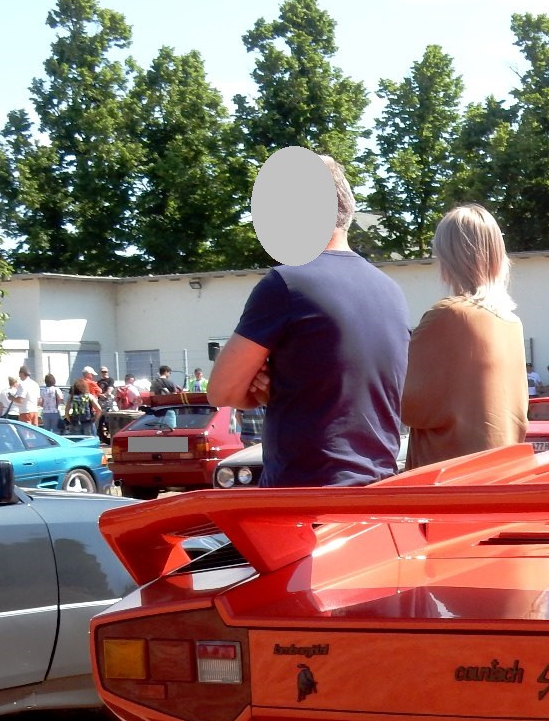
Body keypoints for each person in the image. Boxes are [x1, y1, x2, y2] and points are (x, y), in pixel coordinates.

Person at [209, 154, 408, 486]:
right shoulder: (391, 291)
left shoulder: (286, 284)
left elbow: (221, 390)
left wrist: (259, 391)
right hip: (376, 494)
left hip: (304, 498)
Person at [401, 203, 527, 469]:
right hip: (500, 472)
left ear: (448, 258)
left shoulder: (447, 315)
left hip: (447, 478)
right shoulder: (511, 321)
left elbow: (402, 401)